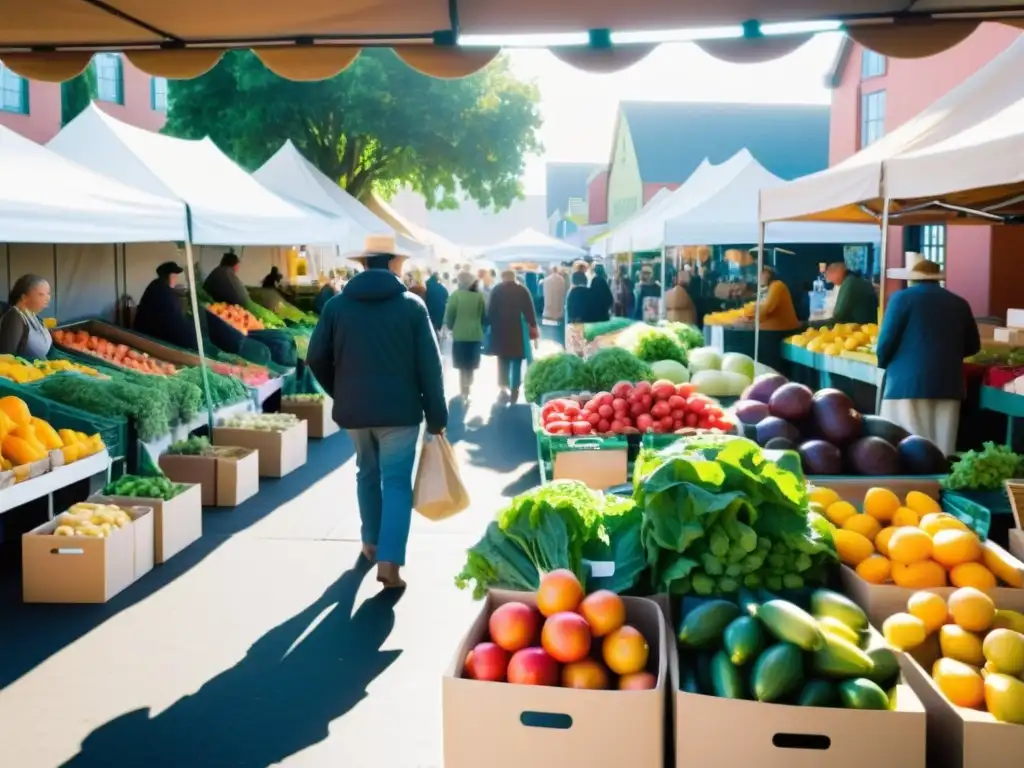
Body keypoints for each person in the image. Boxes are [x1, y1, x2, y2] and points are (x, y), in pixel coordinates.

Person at [306, 235, 447, 589]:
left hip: (355, 412)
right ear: (394, 264)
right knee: (396, 483)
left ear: (363, 264)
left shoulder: (336, 306)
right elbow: (431, 366)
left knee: (365, 473)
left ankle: (370, 543)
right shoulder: (412, 306)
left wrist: (340, 392)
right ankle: (390, 561)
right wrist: (437, 416)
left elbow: (316, 357)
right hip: (401, 412)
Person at [876, 255, 980, 456]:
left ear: (912, 278)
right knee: (942, 449)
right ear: (938, 278)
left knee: (907, 449)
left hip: (906, 384)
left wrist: (883, 363)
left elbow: (886, 341)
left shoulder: (901, 298)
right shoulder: (960, 303)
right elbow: (973, 346)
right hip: (949, 385)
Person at [487, 269, 539, 405]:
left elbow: (490, 311)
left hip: (500, 330)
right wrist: (533, 324)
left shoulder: (497, 290)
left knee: (502, 359)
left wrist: (490, 325)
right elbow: (529, 310)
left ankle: (503, 386)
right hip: (517, 330)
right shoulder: (522, 290)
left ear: (503, 277)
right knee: (516, 359)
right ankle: (515, 387)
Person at [133, 261, 197, 349]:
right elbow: (173, 322)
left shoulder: (155, 285)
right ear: (168, 276)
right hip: (151, 338)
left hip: (143, 332)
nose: (176, 278)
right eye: (174, 275)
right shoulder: (165, 293)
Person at [445, 271, 486, 401]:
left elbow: (450, 313)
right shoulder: (479, 296)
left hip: (460, 334)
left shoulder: (455, 295)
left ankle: (464, 390)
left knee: (461, 364)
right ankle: (469, 383)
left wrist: (450, 326)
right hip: (475, 334)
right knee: (471, 363)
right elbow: (483, 315)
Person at [0, 274, 52, 358]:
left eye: (48, 293)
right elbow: (6, 359)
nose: (48, 298)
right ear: (24, 297)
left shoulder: (33, 315)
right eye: (41, 294)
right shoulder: (14, 318)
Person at [820, 261, 879, 326]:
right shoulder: (855, 279)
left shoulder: (850, 283)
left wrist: (810, 324)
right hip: (867, 325)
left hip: (862, 328)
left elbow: (838, 315)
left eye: (829, 276)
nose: (830, 280)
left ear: (836, 273)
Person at [750, 266, 801, 331]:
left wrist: (751, 312)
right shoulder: (766, 288)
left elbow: (766, 308)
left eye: (759, 275)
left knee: (742, 325)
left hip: (784, 327)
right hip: (771, 326)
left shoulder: (777, 285)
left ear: (767, 274)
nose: (757, 279)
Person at [541, 266, 567, 342]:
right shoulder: (561, 280)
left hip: (548, 310)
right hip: (559, 309)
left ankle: (552, 340)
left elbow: (544, 293)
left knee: (549, 331)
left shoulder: (546, 280)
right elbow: (563, 292)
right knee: (559, 329)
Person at [424, 271, 450, 335]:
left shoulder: (426, 287)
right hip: (440, 308)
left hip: (429, 308)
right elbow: (446, 297)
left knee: (430, 324)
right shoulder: (441, 287)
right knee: (437, 325)